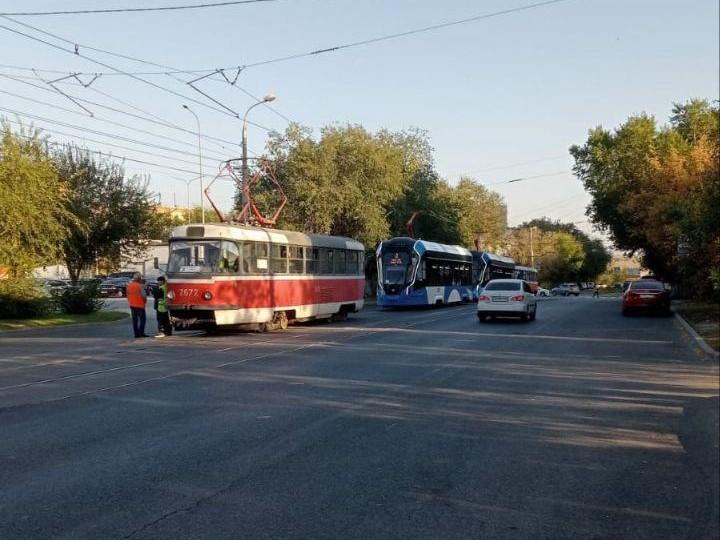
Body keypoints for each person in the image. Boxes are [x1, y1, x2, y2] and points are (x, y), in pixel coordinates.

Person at [126, 272, 148, 338]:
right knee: (142, 320)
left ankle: (136, 334)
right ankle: (141, 333)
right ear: (139, 279)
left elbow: (127, 295)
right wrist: (144, 302)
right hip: (140, 305)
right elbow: (144, 296)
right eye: (140, 278)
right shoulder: (139, 286)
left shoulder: (129, 286)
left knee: (134, 320)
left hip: (132, 305)